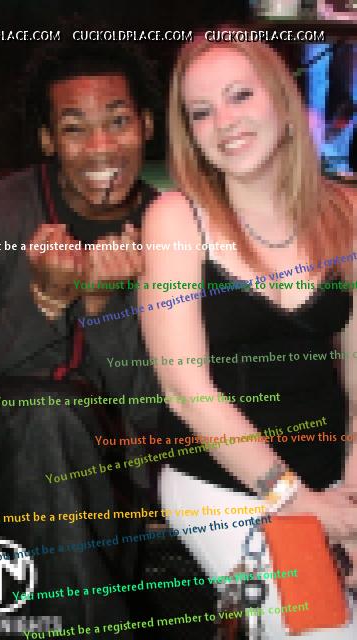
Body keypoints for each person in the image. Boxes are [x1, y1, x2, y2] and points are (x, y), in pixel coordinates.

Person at [0, 38, 160, 630]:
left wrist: (103, 310)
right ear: (48, 140)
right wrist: (42, 306)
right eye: (75, 128)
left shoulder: (175, 232)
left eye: (117, 122)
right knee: (42, 413)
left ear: (146, 125)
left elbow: (153, 412)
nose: (101, 147)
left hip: (119, 464)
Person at [139, 35, 357, 638]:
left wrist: (350, 493)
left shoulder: (346, 214)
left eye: (239, 96)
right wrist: (298, 502)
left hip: (333, 471)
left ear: (283, 103)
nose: (224, 122)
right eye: (201, 111)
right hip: (224, 481)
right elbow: (186, 392)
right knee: (325, 632)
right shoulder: (176, 219)